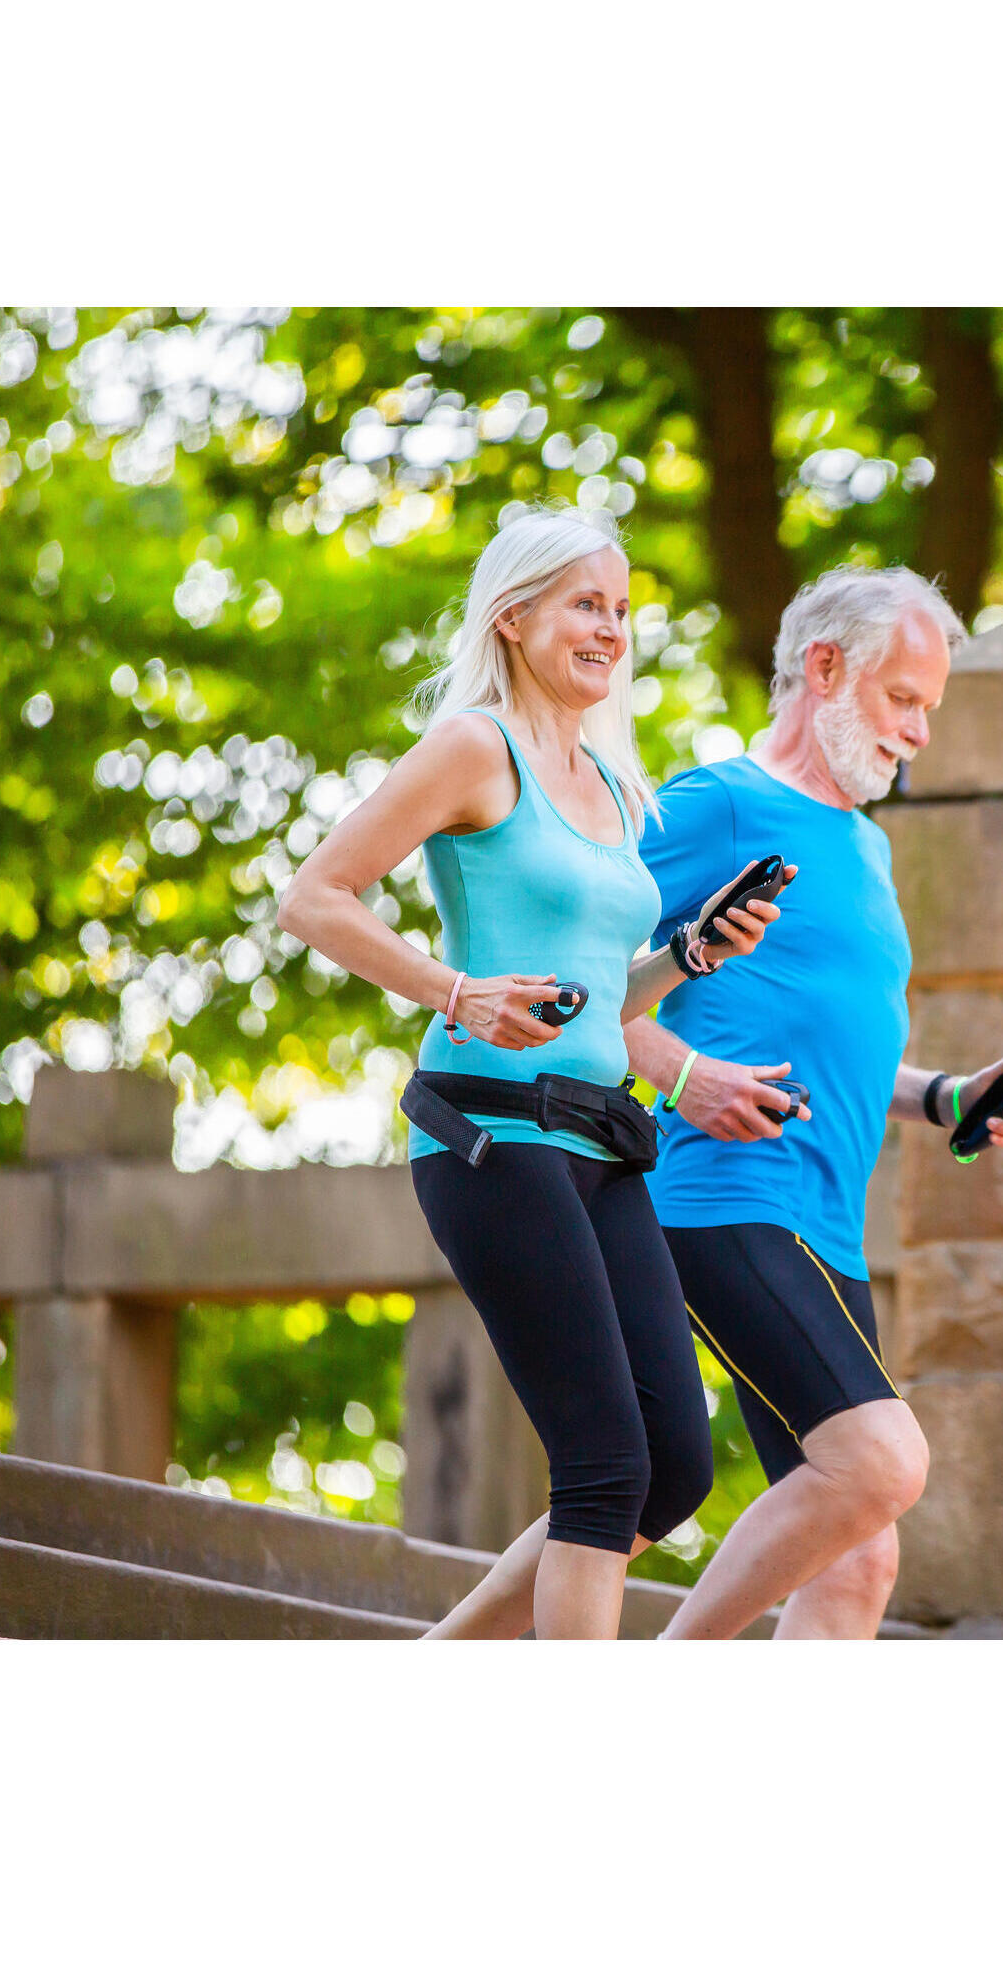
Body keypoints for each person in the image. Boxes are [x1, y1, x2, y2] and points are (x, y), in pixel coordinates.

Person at [434, 564, 1003, 1641]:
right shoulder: (716, 803)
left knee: (856, 1553)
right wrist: (677, 1073)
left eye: (927, 709)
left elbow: (826, 1052)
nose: (918, 731)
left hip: (823, 1225)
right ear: (823, 668)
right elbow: (580, 979)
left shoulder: (865, 843)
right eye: (903, 699)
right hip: (719, 1198)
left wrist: (946, 1097)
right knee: (876, 1463)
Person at [278, 505, 797, 1640]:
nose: (609, 628)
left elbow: (595, 996)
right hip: (490, 1135)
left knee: (668, 1473)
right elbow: (312, 895)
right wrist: (454, 991)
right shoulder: (476, 747)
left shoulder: (615, 783)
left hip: (605, 1140)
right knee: (603, 1462)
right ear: (513, 618)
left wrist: (690, 951)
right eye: (583, 605)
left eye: (619, 607)